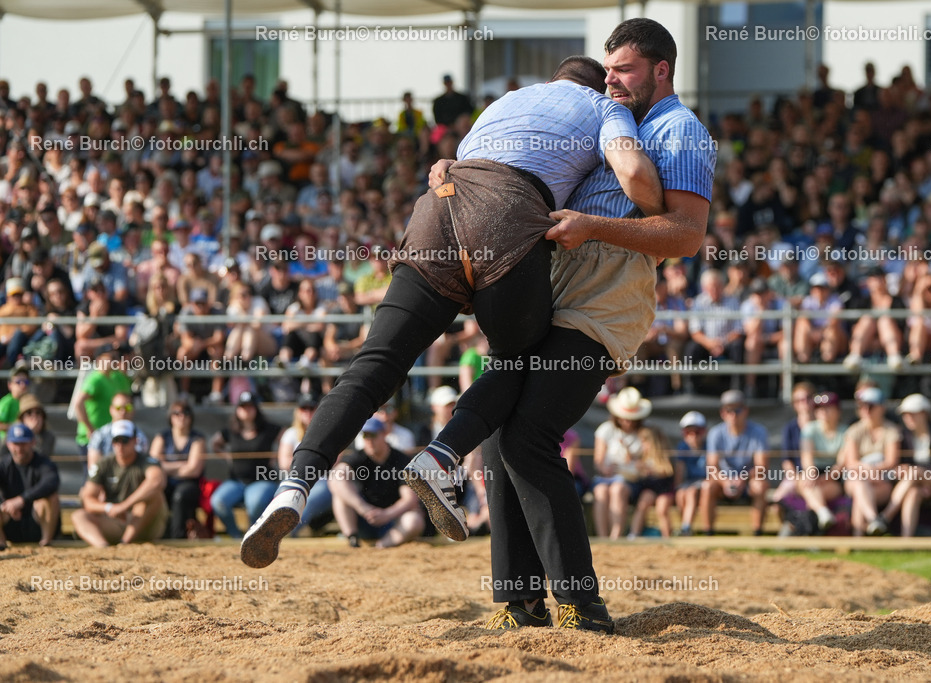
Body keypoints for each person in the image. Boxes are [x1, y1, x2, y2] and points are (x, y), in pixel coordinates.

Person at [243, 53, 667, 570]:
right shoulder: (604, 107)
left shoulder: (504, 104)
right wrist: (659, 222)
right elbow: (635, 172)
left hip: (437, 211)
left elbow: (443, 168)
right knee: (520, 360)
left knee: (375, 363)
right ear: (596, 84)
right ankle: (442, 456)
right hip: (507, 217)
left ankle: (294, 485)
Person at [413, 19, 712, 633]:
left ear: (662, 69)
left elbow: (687, 234)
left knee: (529, 434)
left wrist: (594, 227)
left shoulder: (681, 129)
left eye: (624, 70)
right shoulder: (608, 118)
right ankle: (519, 603)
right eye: (607, 71)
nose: (612, 82)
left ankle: (582, 606)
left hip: (610, 289)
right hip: (558, 272)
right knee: (499, 440)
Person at [328, 417, 425, 548]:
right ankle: (352, 538)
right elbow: (335, 478)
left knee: (414, 520)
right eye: (365, 436)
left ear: (384, 434)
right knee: (339, 495)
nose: (369, 441)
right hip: (364, 517)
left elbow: (410, 498)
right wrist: (364, 509)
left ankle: (381, 546)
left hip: (392, 521)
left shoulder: (400, 460)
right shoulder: (358, 456)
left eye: (373, 435)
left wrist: (386, 514)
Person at [71, 420, 168, 547]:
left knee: (154, 496)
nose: (120, 445)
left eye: (125, 440)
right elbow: (88, 498)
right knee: (78, 516)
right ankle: (103, 548)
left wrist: (124, 506)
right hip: (116, 521)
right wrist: (109, 507)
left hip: (145, 524)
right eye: (116, 441)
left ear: (135, 441)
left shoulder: (147, 461)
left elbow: (156, 481)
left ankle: (125, 543)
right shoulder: (104, 464)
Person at [875, 394, 931, 537]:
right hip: (916, 486)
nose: (908, 418)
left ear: (924, 413)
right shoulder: (904, 436)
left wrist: (919, 474)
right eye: (905, 414)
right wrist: (904, 472)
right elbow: (901, 466)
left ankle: (886, 516)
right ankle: (906, 541)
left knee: (914, 472)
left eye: (912, 414)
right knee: (913, 494)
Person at [210, 391, 280, 539]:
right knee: (218, 501)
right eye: (243, 407)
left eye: (250, 407)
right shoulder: (231, 430)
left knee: (254, 503)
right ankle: (235, 536)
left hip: (262, 480)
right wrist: (227, 456)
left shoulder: (268, 429)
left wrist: (278, 455)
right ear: (237, 410)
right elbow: (215, 444)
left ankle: (252, 537)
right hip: (236, 481)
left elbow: (286, 438)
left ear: (256, 409)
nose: (246, 410)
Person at [700, 390, 770, 535]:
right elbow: (712, 466)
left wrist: (743, 478)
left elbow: (761, 466)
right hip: (723, 482)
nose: (732, 415)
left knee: (760, 485)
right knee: (707, 486)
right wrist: (725, 482)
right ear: (722, 413)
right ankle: (708, 533)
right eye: (728, 410)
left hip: (747, 480)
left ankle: (757, 534)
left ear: (745, 411)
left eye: (737, 410)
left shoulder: (759, 432)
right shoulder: (715, 433)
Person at [840, 387, 901, 536]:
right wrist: (868, 469)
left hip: (880, 482)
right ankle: (874, 520)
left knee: (861, 493)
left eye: (870, 406)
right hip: (860, 478)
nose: (865, 410)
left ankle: (858, 538)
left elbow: (892, 461)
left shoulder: (891, 430)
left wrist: (873, 471)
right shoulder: (854, 430)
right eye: (862, 406)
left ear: (881, 407)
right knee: (860, 484)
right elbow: (851, 462)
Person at [591, 388, 648, 539]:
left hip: (631, 480)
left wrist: (636, 463)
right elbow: (598, 460)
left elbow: (647, 463)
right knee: (601, 492)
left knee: (618, 489)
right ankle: (603, 537)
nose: (626, 421)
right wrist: (605, 469)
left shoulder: (644, 434)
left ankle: (615, 537)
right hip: (607, 477)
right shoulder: (605, 430)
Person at [149, 400, 206, 539]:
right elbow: (152, 464)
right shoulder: (162, 437)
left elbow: (194, 470)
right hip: (165, 482)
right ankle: (155, 535)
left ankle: (177, 538)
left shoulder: (197, 439)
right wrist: (181, 465)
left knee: (180, 497)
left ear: (191, 417)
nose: (181, 417)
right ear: (170, 417)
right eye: (176, 413)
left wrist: (166, 466)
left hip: (190, 484)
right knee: (153, 491)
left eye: (185, 413)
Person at [277, 394, 333, 534]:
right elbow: (283, 463)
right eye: (304, 408)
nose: (307, 412)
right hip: (294, 479)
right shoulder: (291, 434)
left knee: (314, 494)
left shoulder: (327, 432)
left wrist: (304, 464)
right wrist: (315, 463)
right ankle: (286, 530)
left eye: (311, 408)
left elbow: (335, 462)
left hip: (321, 481)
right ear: (298, 411)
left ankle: (286, 531)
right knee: (288, 493)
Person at [1, 423, 60, 549]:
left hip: (36, 522)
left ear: (33, 442)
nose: (19, 448)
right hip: (9, 521)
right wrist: (6, 505)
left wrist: (22, 500)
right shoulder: (3, 465)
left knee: (51, 498)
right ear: (8, 444)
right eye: (16, 444)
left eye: (23, 443)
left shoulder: (44, 463)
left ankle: (46, 543)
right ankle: (1, 544)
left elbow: (51, 482)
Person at [795, 392, 847, 531]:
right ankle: (822, 514)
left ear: (838, 411)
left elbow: (841, 465)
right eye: (819, 408)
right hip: (814, 474)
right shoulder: (809, 429)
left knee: (810, 493)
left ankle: (812, 527)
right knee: (806, 484)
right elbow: (807, 457)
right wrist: (811, 472)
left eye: (828, 408)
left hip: (833, 478)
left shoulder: (845, 432)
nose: (823, 412)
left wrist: (824, 479)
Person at [71, 345, 132, 458]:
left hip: (109, 437)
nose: (115, 360)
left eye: (116, 357)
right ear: (99, 359)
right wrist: (90, 429)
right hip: (91, 438)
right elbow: (78, 403)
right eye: (111, 357)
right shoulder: (95, 379)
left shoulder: (116, 377)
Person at [628, 425, 675, 538]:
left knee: (662, 508)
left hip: (665, 490)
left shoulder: (663, 457)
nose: (642, 445)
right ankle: (633, 534)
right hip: (650, 489)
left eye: (644, 442)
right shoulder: (643, 457)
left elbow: (666, 471)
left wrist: (649, 469)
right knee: (643, 503)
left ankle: (666, 537)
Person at [86, 392, 149, 472]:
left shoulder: (140, 435)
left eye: (128, 407)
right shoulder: (99, 435)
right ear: (111, 409)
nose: (123, 412)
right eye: (118, 408)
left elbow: (141, 465)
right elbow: (93, 469)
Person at [673, 411, 707, 536]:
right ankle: (685, 526)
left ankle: (686, 528)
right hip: (688, 483)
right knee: (681, 494)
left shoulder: (709, 446)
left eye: (697, 432)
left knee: (691, 493)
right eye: (688, 432)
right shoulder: (682, 447)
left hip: (705, 483)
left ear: (703, 432)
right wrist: (677, 488)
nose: (692, 436)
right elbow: (679, 472)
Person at [0, 361, 32, 439]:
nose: (23, 385)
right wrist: (16, 427)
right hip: (6, 441)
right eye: (18, 382)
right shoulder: (7, 402)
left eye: (26, 382)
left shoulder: (29, 401)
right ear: (10, 385)